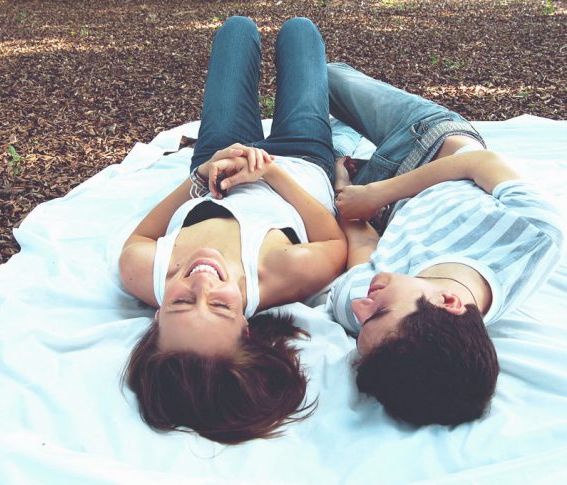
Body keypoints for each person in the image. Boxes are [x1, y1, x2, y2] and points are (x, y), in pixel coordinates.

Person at [119, 17, 347, 443]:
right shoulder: (278, 274)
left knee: (236, 31)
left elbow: (141, 236)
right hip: (299, 160)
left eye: (182, 301)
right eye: (221, 307)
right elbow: (334, 239)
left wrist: (201, 176)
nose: (202, 282)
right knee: (301, 32)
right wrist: (272, 173)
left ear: (156, 317)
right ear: (246, 326)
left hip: (217, 155)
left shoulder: (141, 272)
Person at [326, 62, 565, 426]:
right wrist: (375, 193)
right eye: (377, 311)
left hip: (377, 202)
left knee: (319, 142)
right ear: (449, 302)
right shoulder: (536, 235)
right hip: (430, 145)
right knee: (326, 77)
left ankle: (341, 145)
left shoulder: (377, 328)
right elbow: (477, 163)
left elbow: (359, 241)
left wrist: (342, 185)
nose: (361, 307)